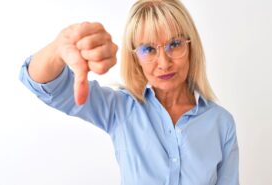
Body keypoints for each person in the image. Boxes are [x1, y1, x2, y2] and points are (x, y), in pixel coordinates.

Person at [19, 0, 239, 184]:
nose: (164, 63)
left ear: (191, 47)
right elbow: (43, 84)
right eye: (149, 49)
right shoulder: (121, 109)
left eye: (175, 44)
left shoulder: (221, 123)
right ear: (135, 57)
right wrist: (59, 47)